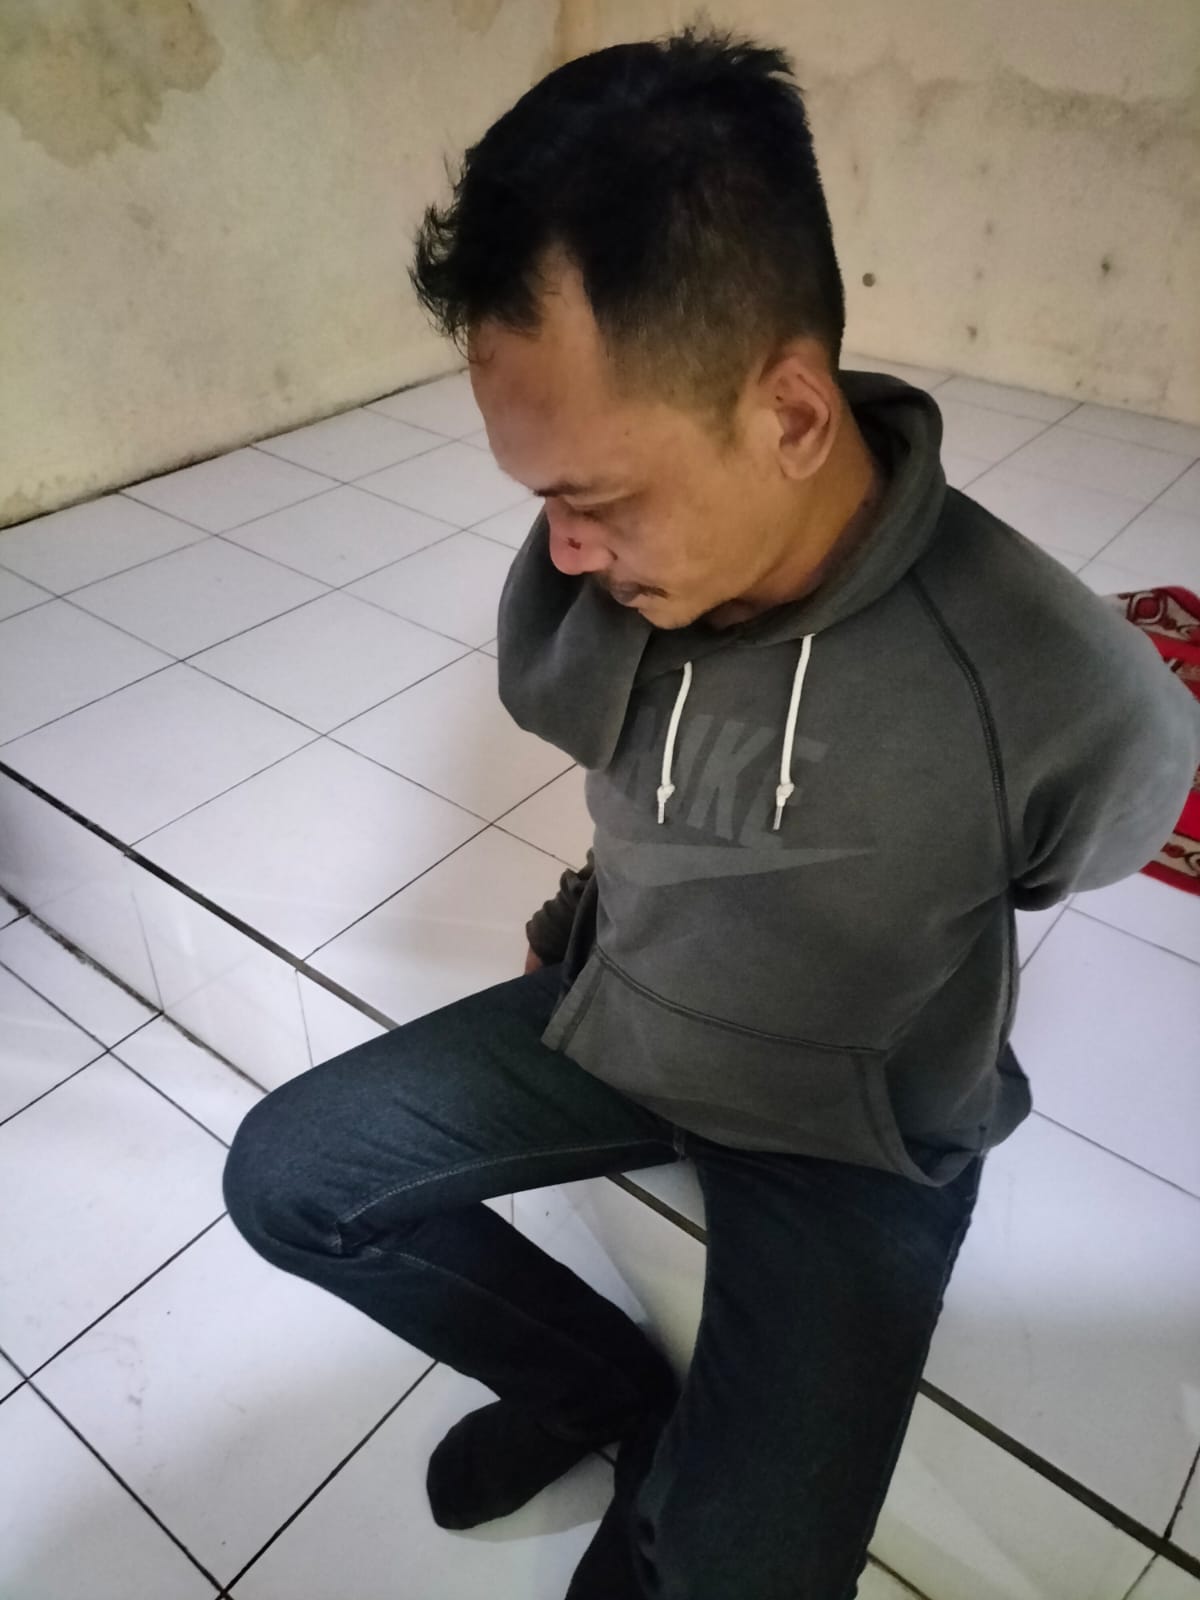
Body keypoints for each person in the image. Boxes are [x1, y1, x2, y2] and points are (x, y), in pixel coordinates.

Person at [222, 25, 1200, 1599]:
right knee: (290, 1180)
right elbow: (614, 749)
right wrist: (587, 922)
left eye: (598, 497)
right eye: (541, 497)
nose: (565, 549)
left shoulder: (1054, 686)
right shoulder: (595, 586)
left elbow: (1069, 849)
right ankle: (607, 1394)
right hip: (618, 1019)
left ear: (794, 416)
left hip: (851, 1142)